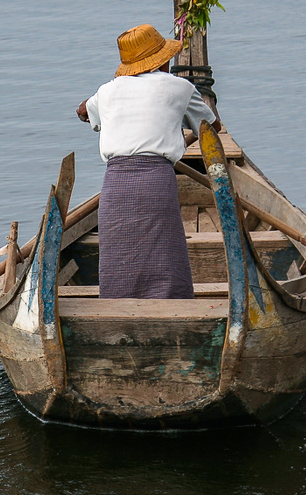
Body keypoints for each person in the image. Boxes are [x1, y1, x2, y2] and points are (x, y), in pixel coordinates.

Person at [76, 24, 219, 299]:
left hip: (115, 184)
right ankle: (169, 308)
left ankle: (117, 312)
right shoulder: (180, 87)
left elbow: (83, 110)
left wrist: (95, 109)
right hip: (157, 180)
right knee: (165, 252)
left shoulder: (107, 90)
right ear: (163, 61)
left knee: (119, 256)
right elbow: (213, 125)